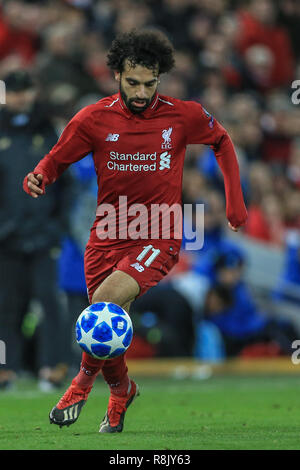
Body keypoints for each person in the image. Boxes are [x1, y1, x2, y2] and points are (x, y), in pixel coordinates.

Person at [23, 30, 247, 433]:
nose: (142, 92)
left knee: (104, 308)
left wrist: (235, 202)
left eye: (150, 83)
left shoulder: (183, 115)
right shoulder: (93, 118)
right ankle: (122, 389)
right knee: (107, 329)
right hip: (106, 234)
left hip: (157, 234)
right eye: (133, 83)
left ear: (159, 78)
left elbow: (222, 140)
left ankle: (80, 384)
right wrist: (40, 175)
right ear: (116, 77)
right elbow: (56, 159)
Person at [0, 70, 71, 389]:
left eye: (25, 90)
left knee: (50, 301)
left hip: (43, 235)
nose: (20, 98)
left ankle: (52, 366)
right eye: (15, 92)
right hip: (6, 237)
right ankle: (5, 368)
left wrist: (58, 223)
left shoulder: (48, 130)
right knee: (6, 304)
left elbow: (66, 184)